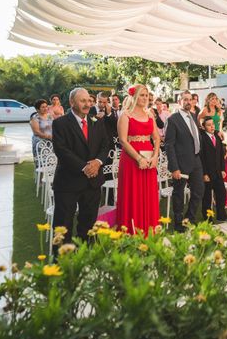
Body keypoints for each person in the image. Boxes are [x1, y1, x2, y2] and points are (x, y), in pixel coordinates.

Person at [51, 88, 110, 244]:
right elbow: (62, 151)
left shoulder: (96, 121)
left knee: (89, 225)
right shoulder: (60, 123)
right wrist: (85, 167)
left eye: (89, 101)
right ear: (72, 102)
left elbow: (105, 145)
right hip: (69, 182)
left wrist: (97, 162)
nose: (87, 104)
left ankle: (86, 257)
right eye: (82, 101)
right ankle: (62, 262)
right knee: (63, 225)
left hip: (93, 182)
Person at [105, 84, 161, 234]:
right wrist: (138, 158)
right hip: (131, 160)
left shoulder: (150, 114)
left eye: (146, 95)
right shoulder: (125, 115)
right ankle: (131, 231)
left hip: (149, 159)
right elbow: (123, 140)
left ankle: (149, 231)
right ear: (134, 97)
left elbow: (156, 137)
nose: (145, 98)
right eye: (142, 95)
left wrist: (155, 156)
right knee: (133, 195)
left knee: (149, 195)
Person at [165, 90, 205, 232]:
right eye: (185, 99)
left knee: (199, 190)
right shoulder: (172, 119)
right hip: (180, 164)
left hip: (196, 160)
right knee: (179, 193)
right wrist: (174, 168)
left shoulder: (193, 116)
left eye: (190, 99)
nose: (188, 102)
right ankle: (178, 223)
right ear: (179, 101)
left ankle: (189, 219)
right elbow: (169, 145)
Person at [199, 116, 227, 223]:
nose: (212, 126)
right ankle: (208, 218)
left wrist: (223, 169)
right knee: (207, 197)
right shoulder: (202, 138)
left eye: (212, 124)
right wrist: (204, 174)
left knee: (221, 193)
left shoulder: (217, 137)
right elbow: (201, 158)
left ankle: (221, 215)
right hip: (208, 173)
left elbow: (220, 155)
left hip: (218, 172)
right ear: (204, 127)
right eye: (208, 125)